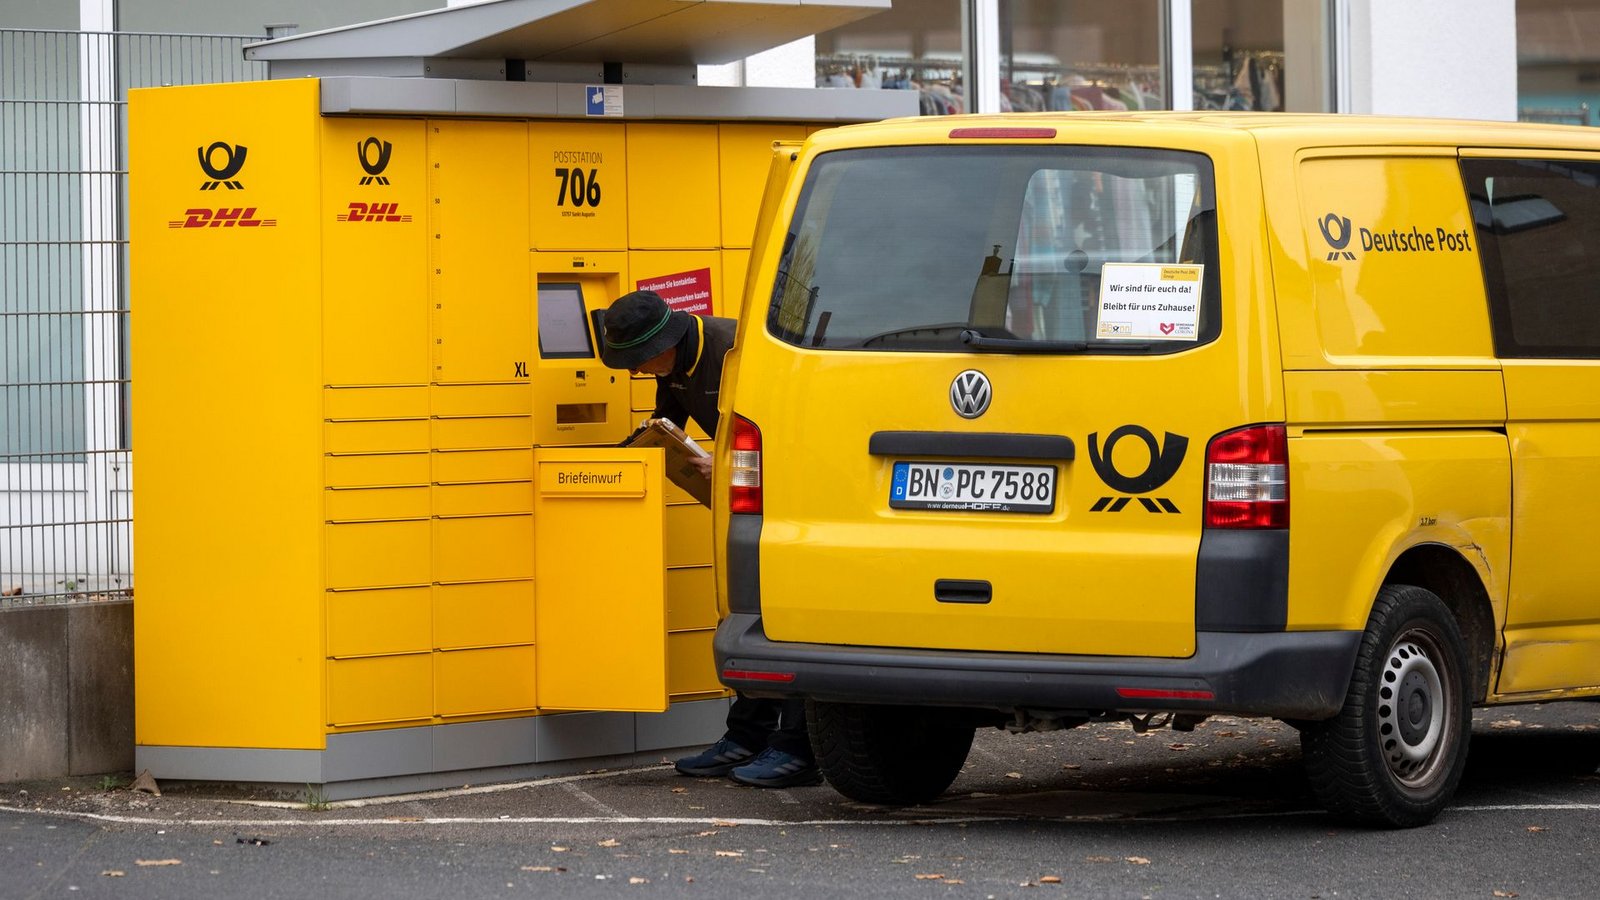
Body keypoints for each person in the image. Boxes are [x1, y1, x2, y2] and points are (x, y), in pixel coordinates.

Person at [598, 290, 820, 789]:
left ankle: (797, 749)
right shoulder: (672, 367)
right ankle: (746, 738)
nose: (636, 371)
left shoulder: (737, 351)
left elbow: (790, 429)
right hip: (745, 501)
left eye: (639, 360)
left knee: (785, 619)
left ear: (669, 342)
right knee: (745, 619)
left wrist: (719, 460)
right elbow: (668, 422)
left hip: (791, 502)